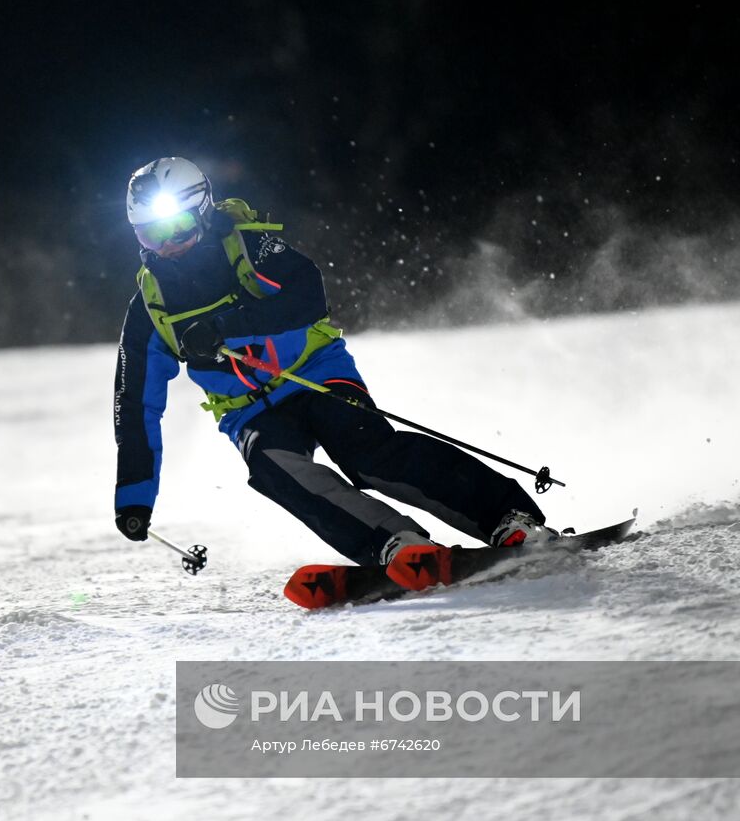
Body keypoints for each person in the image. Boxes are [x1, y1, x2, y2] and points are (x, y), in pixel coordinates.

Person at [112, 157, 554, 598]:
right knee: (275, 470)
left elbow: (307, 297)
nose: (168, 246)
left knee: (365, 452)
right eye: (152, 234)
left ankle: (507, 518)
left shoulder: (249, 246)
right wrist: (134, 496)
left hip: (315, 373)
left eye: (179, 228)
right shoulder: (149, 309)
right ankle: (395, 544)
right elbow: (134, 405)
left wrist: (226, 326)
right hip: (250, 412)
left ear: (205, 211)